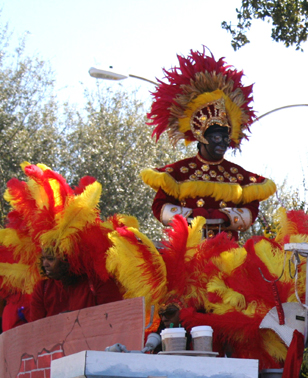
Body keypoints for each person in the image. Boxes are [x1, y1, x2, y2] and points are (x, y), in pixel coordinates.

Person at [141, 49, 275, 241]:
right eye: (217, 138)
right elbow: (159, 207)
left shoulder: (238, 175)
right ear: (202, 137)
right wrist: (189, 215)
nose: (223, 143)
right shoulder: (179, 172)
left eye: (226, 138)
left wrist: (228, 217)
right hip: (186, 250)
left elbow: (252, 209)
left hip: (227, 255)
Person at [28, 250, 122, 322]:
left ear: (68, 259)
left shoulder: (98, 280)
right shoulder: (42, 288)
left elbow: (115, 317)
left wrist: (78, 319)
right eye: (43, 258)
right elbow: (35, 328)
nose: (45, 264)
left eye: (51, 259)